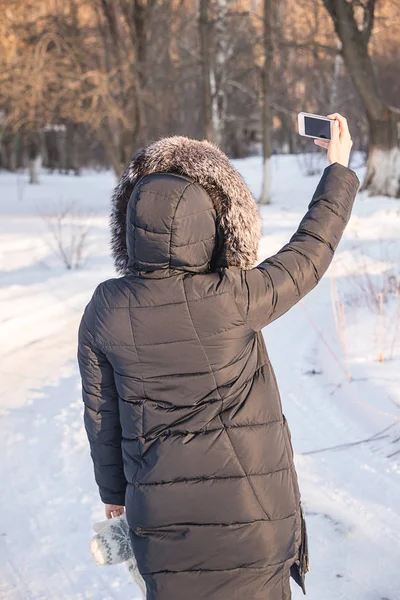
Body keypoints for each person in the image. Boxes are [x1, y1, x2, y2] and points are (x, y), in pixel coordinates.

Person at [77, 113, 359, 600]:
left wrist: (114, 495)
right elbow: (310, 252)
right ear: (211, 227)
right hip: (256, 520)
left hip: (162, 530)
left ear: (128, 227)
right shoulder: (235, 296)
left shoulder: (107, 307)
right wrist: (337, 168)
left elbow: (101, 415)